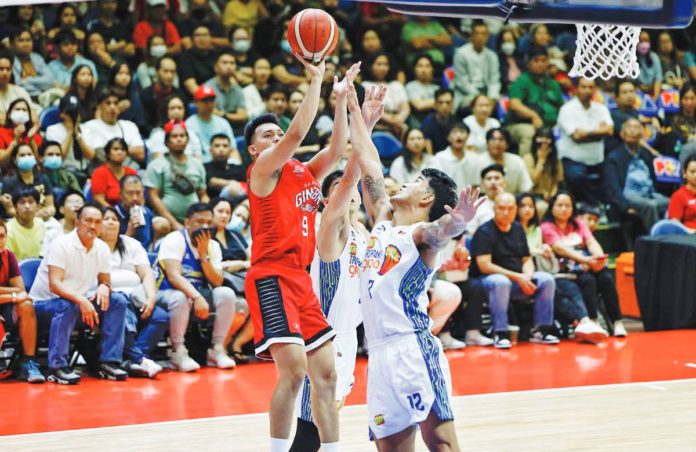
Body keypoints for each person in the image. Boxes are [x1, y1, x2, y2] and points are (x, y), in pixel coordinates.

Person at [348, 82, 483, 450]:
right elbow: (368, 162)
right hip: (377, 353)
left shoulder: (420, 235)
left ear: (426, 197)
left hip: (412, 348)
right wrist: (360, 115)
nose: (403, 181)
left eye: (414, 180)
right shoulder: (381, 219)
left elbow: (443, 230)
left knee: (440, 443)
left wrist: (460, 222)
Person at [244, 56, 360, 452]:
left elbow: (338, 148)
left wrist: (341, 99)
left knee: (325, 376)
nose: (276, 137)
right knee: (293, 373)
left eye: (277, 132)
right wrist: (316, 80)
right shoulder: (262, 172)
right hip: (271, 277)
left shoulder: (303, 173)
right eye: (267, 135)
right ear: (253, 149)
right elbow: (295, 134)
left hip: (301, 279)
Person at [290, 89, 379, 449]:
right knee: (311, 435)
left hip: (346, 340)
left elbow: (371, 180)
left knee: (319, 429)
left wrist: (367, 126)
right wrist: (361, 126)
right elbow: (351, 180)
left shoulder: (364, 233)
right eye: (341, 188)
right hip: (323, 341)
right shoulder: (330, 233)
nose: (349, 189)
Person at [30, 202, 129, 384]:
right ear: (77, 222)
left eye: (97, 222)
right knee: (67, 304)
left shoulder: (101, 248)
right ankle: (57, 367)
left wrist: (104, 286)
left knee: (117, 301)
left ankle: (109, 361)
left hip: (76, 305)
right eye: (88, 221)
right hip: (43, 308)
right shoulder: (61, 244)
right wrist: (81, 300)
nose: (92, 226)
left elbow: (105, 280)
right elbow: (55, 285)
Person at [153, 202, 238, 371]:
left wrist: (203, 256)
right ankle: (178, 352)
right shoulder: (174, 239)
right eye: (199, 222)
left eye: (208, 222)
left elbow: (217, 282)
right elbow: (174, 276)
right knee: (181, 296)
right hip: (164, 292)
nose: (204, 227)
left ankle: (217, 349)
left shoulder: (212, 246)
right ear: (187, 223)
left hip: (196, 294)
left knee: (226, 293)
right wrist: (197, 297)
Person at [471, 192, 559, 349]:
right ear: (494, 209)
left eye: (510, 208)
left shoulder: (518, 229)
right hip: (488, 282)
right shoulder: (484, 231)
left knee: (546, 279)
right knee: (501, 281)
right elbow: (485, 265)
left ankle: (541, 330)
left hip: (517, 281)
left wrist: (528, 276)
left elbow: (526, 259)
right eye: (502, 208)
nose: (506, 212)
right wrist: (518, 277)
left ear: (515, 209)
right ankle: (500, 333)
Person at [517, 193, 608, 343]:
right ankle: (583, 323)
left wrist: (598, 258)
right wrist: (537, 251)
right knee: (558, 285)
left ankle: (588, 322)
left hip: (547, 271)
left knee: (583, 282)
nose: (527, 210)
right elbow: (523, 252)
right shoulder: (523, 228)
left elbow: (591, 242)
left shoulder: (536, 229)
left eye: (530, 206)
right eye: (523, 206)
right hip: (524, 272)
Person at [541, 191, 627, 337]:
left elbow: (591, 241)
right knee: (588, 280)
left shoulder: (578, 224)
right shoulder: (547, 227)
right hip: (567, 271)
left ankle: (617, 321)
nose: (564, 209)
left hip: (587, 265)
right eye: (560, 205)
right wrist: (586, 261)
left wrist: (599, 258)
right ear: (552, 207)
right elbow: (560, 248)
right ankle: (593, 321)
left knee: (606, 278)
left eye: (567, 205)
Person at [100, 207, 167, 378]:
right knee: (122, 307)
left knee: (161, 317)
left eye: (114, 219)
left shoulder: (132, 245)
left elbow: (146, 274)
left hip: (137, 297)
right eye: (106, 218)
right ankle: (140, 359)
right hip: (109, 300)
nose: (110, 222)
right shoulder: (94, 246)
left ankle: (129, 362)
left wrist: (151, 297)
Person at [604, 118, 670, 232]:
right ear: (622, 134)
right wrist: (625, 207)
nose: (633, 131)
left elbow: (653, 180)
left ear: (642, 134)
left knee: (671, 202)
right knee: (650, 206)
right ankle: (655, 240)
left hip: (649, 194)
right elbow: (613, 189)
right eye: (630, 128)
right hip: (630, 196)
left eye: (637, 128)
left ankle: (672, 237)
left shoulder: (646, 155)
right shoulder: (614, 157)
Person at [556, 77, 614, 204]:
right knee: (576, 177)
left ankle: (605, 210)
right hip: (573, 160)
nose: (587, 90)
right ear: (576, 89)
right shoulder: (567, 109)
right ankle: (591, 207)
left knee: (614, 175)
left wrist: (586, 133)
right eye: (584, 87)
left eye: (591, 87)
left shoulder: (601, 108)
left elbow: (609, 131)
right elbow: (576, 137)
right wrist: (598, 132)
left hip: (597, 160)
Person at [0, 218, 44, 383]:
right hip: (6, 300)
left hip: (3, 304)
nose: (0, 241)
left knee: (26, 304)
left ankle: (29, 362)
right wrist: (11, 295)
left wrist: (11, 295)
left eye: (2, 236)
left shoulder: (8, 256)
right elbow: (16, 292)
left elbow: (20, 289)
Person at [144, 120, 209, 228]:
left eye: (182, 136)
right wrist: (175, 224)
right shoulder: (157, 165)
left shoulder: (197, 164)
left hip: (195, 219)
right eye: (174, 136)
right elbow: (153, 197)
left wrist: (206, 214)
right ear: (166, 142)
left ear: (188, 140)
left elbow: (203, 194)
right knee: (161, 225)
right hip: (167, 220)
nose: (179, 139)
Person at [209, 197, 252, 362]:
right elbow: (215, 265)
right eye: (220, 211)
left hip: (243, 281)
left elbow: (252, 259)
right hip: (220, 282)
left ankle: (237, 344)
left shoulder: (234, 235)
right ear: (211, 212)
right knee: (242, 306)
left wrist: (237, 263)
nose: (224, 215)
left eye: (228, 212)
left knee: (266, 304)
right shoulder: (207, 235)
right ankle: (220, 347)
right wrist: (240, 264)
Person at [506, 45, 564, 157]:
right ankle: (527, 169)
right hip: (520, 124)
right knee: (529, 133)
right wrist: (533, 116)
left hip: (550, 126)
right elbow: (514, 104)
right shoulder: (522, 81)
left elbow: (562, 108)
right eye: (536, 61)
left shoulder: (553, 84)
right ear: (528, 63)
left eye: (543, 60)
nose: (540, 64)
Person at [82, 88, 145, 167]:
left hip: (127, 171)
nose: (112, 107)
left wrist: (113, 150)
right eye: (108, 103)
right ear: (99, 106)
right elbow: (96, 155)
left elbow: (140, 154)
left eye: (115, 103)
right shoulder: (89, 126)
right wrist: (126, 151)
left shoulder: (129, 126)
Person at [452, 21, 501, 110]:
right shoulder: (461, 53)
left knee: (498, 106)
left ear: (488, 36)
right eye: (477, 33)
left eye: (483, 34)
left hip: (486, 92)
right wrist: (480, 97)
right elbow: (462, 83)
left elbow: (494, 80)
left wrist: (492, 97)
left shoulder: (492, 55)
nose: (480, 37)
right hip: (467, 93)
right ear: (471, 35)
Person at [115, 174, 170, 251]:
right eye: (130, 193)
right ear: (120, 194)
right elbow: (113, 250)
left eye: (138, 193)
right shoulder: (113, 216)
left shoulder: (146, 212)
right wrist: (128, 233)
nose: (135, 198)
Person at [1, 143, 55, 221]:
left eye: (29, 154)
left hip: (43, 220)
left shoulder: (43, 178)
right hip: (18, 221)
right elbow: (10, 211)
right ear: (14, 160)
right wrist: (34, 216)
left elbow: (51, 206)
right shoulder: (8, 182)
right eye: (22, 155)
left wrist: (48, 211)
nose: (27, 157)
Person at [185, 85, 237, 163]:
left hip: (223, 164)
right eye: (205, 101)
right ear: (196, 103)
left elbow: (233, 150)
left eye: (211, 100)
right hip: (201, 165)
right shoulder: (189, 124)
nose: (209, 104)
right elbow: (188, 155)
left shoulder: (223, 122)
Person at [475, 128, 533, 195]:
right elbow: (474, 188)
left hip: (511, 201)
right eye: (493, 139)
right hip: (485, 201)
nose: (497, 143)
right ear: (487, 143)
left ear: (507, 144)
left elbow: (526, 187)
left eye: (501, 139)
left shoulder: (517, 160)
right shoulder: (477, 161)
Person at [146, 94, 203, 160]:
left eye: (180, 108)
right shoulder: (158, 135)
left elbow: (198, 162)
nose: (177, 112)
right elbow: (158, 165)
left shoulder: (191, 134)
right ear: (166, 111)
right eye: (172, 108)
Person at [205, 50, 248, 134]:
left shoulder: (237, 90)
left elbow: (242, 116)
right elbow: (210, 114)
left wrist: (224, 115)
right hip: (212, 128)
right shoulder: (208, 88)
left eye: (232, 63)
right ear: (216, 67)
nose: (229, 66)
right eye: (224, 63)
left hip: (234, 128)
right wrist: (232, 116)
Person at [140, 56, 184, 134]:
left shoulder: (180, 95)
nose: (169, 76)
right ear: (157, 72)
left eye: (172, 72)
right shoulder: (145, 94)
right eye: (166, 71)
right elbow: (143, 123)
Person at [90, 138, 138, 208]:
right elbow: (98, 199)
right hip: (107, 212)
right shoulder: (99, 173)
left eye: (123, 149)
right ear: (108, 153)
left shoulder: (131, 172)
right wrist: (114, 212)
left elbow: (138, 196)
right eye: (116, 149)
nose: (120, 152)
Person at [523, 128, 564, 208]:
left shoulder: (556, 160)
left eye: (547, 143)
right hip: (533, 196)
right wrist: (541, 160)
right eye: (541, 143)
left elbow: (557, 182)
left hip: (550, 196)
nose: (544, 147)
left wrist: (552, 195)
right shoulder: (528, 158)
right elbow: (531, 182)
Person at [433, 124, 479, 191]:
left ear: (468, 136)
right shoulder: (439, 158)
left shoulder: (474, 158)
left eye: (462, 132)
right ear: (448, 137)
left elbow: (475, 185)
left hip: (468, 200)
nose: (459, 135)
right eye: (454, 132)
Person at [11, 28, 54, 99]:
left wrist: (27, 80)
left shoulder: (37, 58)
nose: (26, 44)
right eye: (21, 40)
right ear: (12, 44)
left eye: (28, 40)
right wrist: (41, 86)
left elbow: (49, 81)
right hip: (19, 98)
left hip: (42, 97)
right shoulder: (9, 60)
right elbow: (18, 85)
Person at [6, 187, 46, 261]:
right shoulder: (8, 230)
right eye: (22, 202)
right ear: (15, 207)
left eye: (31, 202)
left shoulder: (40, 224)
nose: (27, 206)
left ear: (37, 205)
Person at [40, 190, 84, 257]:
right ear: (62, 209)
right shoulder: (51, 235)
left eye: (79, 202)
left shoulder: (89, 235)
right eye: (71, 202)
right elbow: (43, 260)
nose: (76, 205)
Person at [466, 164, 506, 236]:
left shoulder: (513, 203)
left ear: (505, 182)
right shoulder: (476, 205)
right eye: (489, 178)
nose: (493, 182)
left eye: (497, 178)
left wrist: (502, 199)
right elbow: (470, 233)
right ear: (482, 184)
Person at [177, 25, 218, 97]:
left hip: (217, 96)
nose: (202, 39)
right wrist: (209, 99)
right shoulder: (185, 57)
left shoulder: (216, 55)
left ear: (211, 38)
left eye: (205, 35)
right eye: (198, 35)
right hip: (198, 99)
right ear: (192, 39)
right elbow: (191, 86)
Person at [0, 98, 41, 168]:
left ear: (29, 115)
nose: (21, 112)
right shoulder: (1, 132)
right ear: (9, 114)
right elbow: (1, 162)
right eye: (17, 109)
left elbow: (39, 162)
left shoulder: (34, 135)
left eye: (24, 110)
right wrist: (16, 140)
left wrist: (31, 141)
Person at [204, 134, 246, 200]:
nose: (221, 149)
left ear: (230, 150)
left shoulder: (238, 168)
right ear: (210, 150)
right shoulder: (205, 167)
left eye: (225, 146)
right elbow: (212, 182)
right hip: (217, 204)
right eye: (217, 146)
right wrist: (231, 183)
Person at [420, 88, 458, 155]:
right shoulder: (428, 123)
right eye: (440, 103)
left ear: (453, 104)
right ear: (435, 104)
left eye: (448, 103)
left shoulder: (456, 121)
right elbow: (429, 154)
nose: (444, 106)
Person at [405, 54, 440, 125]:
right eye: (420, 66)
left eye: (427, 66)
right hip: (417, 122)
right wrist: (438, 101)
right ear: (414, 69)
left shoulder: (437, 88)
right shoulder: (411, 86)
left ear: (432, 69)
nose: (424, 70)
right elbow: (419, 105)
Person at [667, 153, 696, 233]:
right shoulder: (678, 196)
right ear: (684, 173)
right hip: (689, 238)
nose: (695, 175)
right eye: (692, 172)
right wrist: (690, 231)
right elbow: (675, 224)